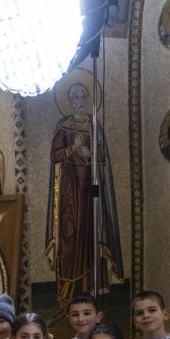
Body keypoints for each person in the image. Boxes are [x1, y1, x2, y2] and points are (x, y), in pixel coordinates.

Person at [46, 80, 123, 314]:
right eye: (75, 97)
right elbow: (55, 155)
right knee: (69, 237)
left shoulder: (94, 126)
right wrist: (72, 149)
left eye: (82, 97)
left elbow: (102, 159)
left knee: (90, 237)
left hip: (90, 193)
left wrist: (91, 154)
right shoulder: (64, 126)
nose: (79, 101)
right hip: (69, 193)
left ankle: (90, 290)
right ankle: (66, 295)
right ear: (70, 101)